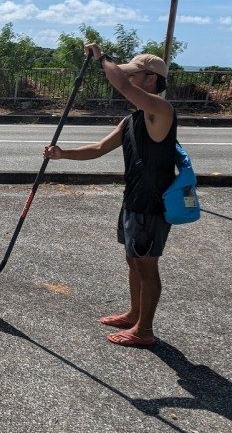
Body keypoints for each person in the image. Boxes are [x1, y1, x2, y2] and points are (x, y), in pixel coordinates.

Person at [43, 44, 176, 348]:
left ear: (151, 79)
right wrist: (63, 154)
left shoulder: (161, 111)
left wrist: (101, 57)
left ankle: (144, 331)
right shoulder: (132, 120)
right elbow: (99, 148)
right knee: (133, 260)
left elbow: (122, 85)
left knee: (147, 265)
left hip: (152, 204)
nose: (128, 80)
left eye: (134, 75)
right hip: (133, 199)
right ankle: (134, 314)